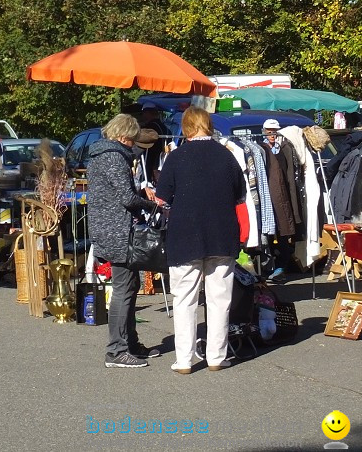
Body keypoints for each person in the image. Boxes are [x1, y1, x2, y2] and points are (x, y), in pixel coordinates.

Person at [156, 107, 246, 374]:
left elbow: (163, 199)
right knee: (220, 298)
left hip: (184, 236)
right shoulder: (227, 157)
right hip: (222, 233)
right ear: (208, 125)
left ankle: (184, 360)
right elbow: (240, 196)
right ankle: (216, 357)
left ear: (186, 128)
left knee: (184, 299)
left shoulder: (175, 157)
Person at [86, 113, 159, 369]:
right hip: (116, 230)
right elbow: (126, 198)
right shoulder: (114, 157)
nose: (134, 144)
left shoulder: (100, 155)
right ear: (123, 136)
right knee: (124, 288)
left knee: (128, 285)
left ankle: (129, 343)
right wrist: (150, 204)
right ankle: (117, 350)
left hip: (108, 228)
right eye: (132, 139)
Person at [260, 118, 301, 283]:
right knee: (268, 234)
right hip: (267, 196)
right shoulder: (260, 149)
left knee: (284, 233)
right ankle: (268, 267)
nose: (272, 134)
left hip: (282, 195)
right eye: (269, 131)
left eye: (274, 131)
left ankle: (281, 267)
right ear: (264, 131)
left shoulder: (284, 148)